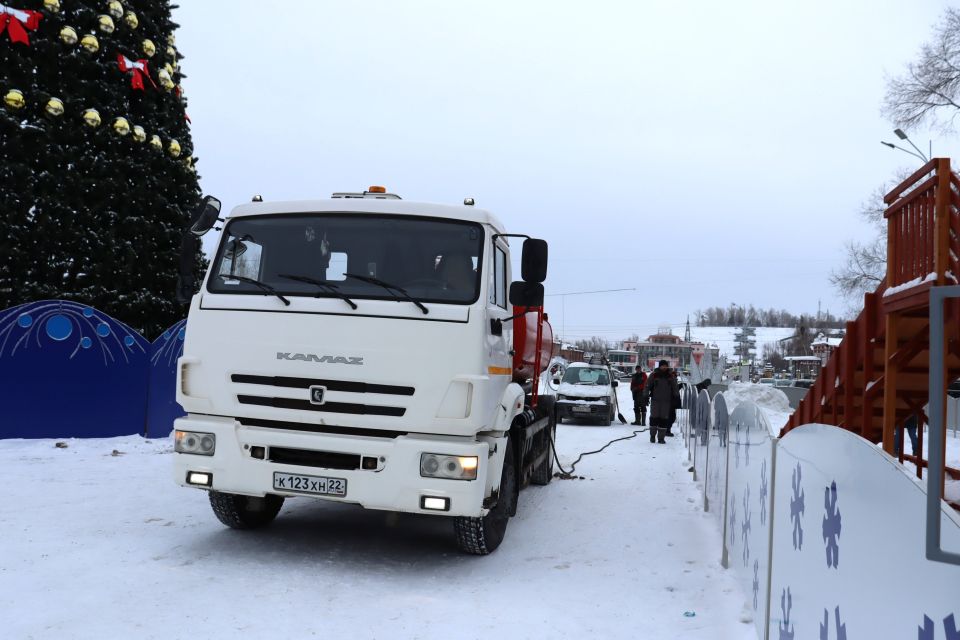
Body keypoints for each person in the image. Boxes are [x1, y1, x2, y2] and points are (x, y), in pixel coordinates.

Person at [644, 360, 679, 443]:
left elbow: (675, 387)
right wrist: (645, 396)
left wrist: (676, 397)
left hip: (666, 402)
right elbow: (647, 386)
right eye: (662, 366)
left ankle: (661, 438)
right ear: (659, 366)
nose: (664, 367)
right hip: (655, 401)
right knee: (654, 418)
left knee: (664, 419)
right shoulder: (654, 375)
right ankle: (652, 436)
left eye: (665, 366)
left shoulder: (670, 376)